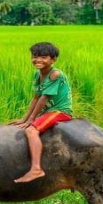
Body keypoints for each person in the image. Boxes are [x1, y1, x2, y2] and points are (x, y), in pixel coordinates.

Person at [11, 42, 73, 183]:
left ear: (53, 59)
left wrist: (31, 121)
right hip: (48, 111)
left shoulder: (55, 74)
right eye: (35, 56)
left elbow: (44, 98)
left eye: (44, 57)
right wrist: (24, 119)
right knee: (25, 125)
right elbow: (36, 97)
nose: (38, 60)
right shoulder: (37, 74)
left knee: (31, 131)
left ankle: (36, 169)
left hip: (59, 111)